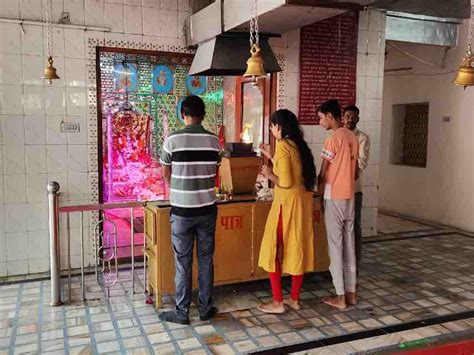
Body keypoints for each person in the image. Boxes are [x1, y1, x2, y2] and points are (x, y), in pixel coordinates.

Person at [159, 95, 220, 324]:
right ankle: (205, 309)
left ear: (182, 114)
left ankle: (182, 312)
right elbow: (215, 173)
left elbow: (165, 174)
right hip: (207, 209)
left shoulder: (171, 140)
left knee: (183, 262)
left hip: (182, 211)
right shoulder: (214, 141)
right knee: (206, 259)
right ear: (203, 116)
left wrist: (178, 190)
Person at [258, 109, 317, 314]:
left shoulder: (283, 146)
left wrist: (268, 174)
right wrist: (271, 156)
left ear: (280, 127)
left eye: (273, 125)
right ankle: (294, 299)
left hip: (286, 205)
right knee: (297, 248)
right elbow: (293, 171)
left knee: (272, 248)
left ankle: (277, 302)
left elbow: (285, 180)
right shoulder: (297, 145)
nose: (271, 129)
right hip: (301, 203)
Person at [317, 100, 359, 310]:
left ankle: (340, 296)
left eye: (321, 117)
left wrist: (318, 194)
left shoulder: (332, 139)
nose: (320, 121)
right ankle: (351, 293)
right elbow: (356, 171)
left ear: (330, 116)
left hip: (334, 196)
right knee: (349, 245)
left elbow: (324, 172)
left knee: (335, 246)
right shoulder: (353, 137)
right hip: (349, 196)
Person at [342, 105, 370, 269]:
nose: (350, 119)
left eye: (353, 117)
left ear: (358, 119)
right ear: (343, 118)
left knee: (354, 227)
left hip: (354, 190)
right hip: (337, 191)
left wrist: (344, 166)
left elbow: (361, 163)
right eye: (347, 116)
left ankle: (355, 263)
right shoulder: (337, 136)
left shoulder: (362, 138)